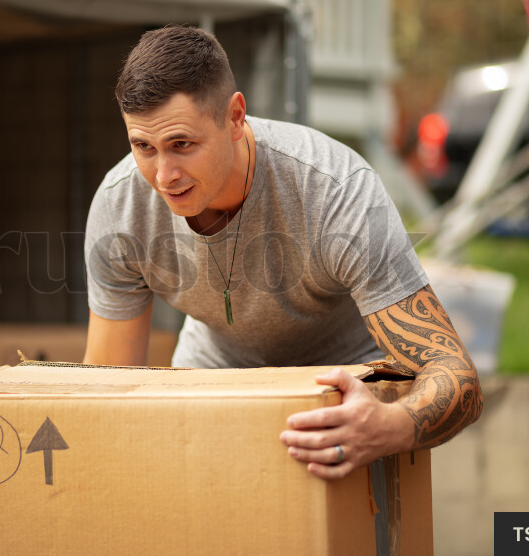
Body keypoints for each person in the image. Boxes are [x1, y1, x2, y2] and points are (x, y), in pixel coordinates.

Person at [83, 25, 482, 480]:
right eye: (143, 147)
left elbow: (456, 375)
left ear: (235, 117)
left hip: (345, 384)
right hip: (215, 370)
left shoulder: (336, 192)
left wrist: (390, 426)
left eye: (182, 145)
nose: (164, 175)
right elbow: (105, 389)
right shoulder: (120, 207)